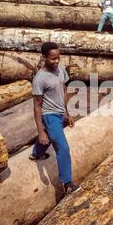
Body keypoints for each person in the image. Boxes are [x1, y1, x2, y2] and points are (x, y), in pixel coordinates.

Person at [29, 42, 79, 195]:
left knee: (51, 138)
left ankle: (36, 153)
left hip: (59, 113)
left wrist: (67, 113)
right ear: (44, 58)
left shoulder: (61, 70)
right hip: (49, 115)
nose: (56, 61)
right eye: (52, 59)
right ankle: (67, 183)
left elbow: (62, 91)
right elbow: (37, 106)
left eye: (58, 58)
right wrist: (40, 131)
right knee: (62, 147)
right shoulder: (39, 79)